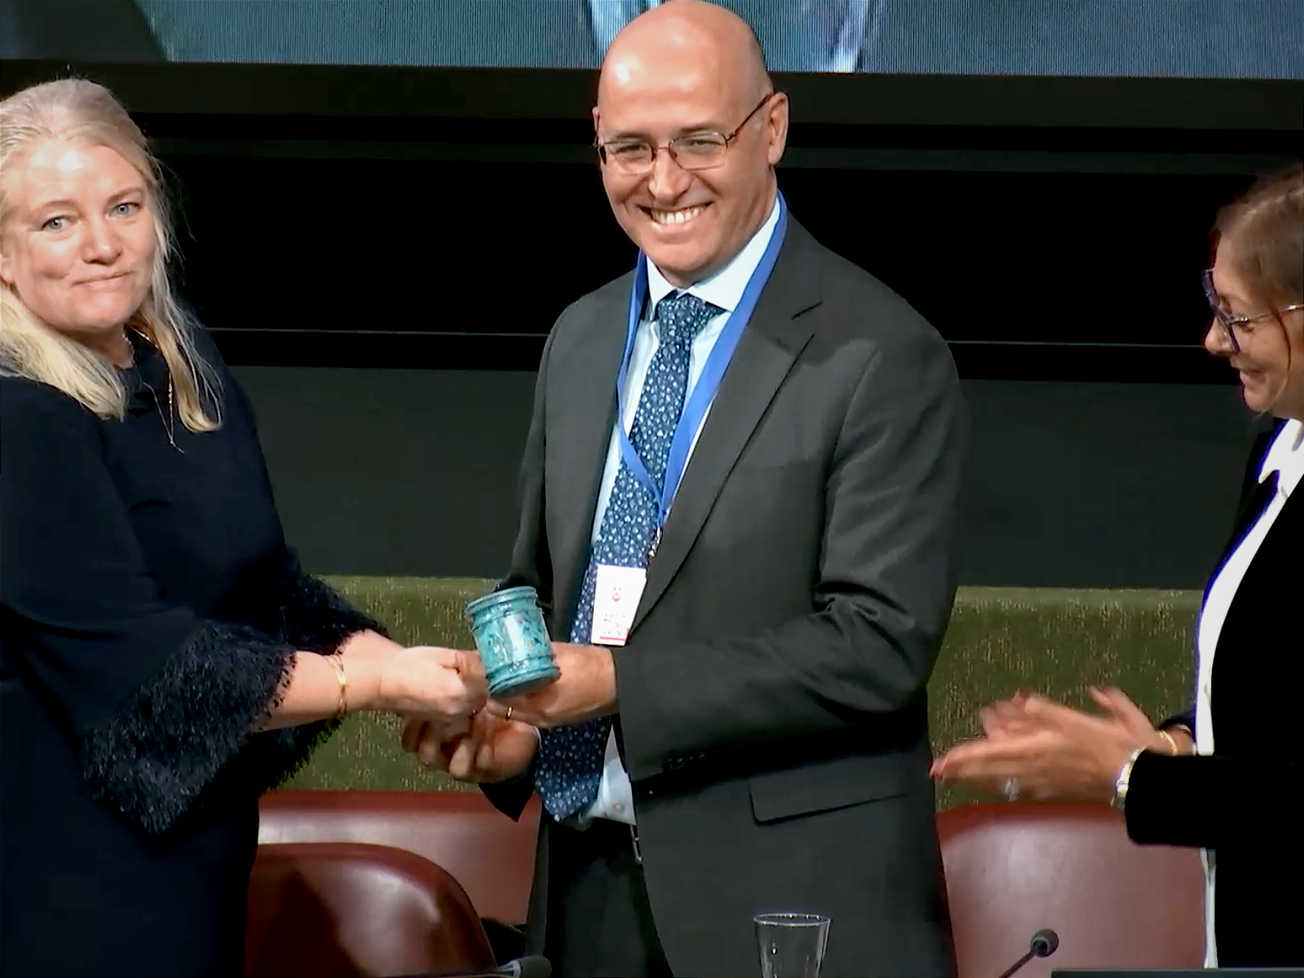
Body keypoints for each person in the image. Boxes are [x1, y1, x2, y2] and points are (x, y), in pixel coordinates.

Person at [402, 3, 967, 975]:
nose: (661, 182)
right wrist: (515, 733)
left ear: (772, 129)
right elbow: (540, 593)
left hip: (784, 911)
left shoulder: (880, 353)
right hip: (585, 902)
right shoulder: (578, 340)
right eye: (629, 149)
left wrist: (618, 689)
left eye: (697, 142)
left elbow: (875, 647)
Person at [0, 78, 488, 978]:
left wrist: (395, 659)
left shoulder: (184, 367)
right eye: (55, 223)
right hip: (59, 885)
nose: (102, 246)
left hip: (195, 868)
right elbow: (150, 680)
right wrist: (372, 686)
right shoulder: (19, 416)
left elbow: (264, 589)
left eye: (123, 206)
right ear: (3, 254)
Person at [931, 163, 1304, 968]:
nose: (1213, 341)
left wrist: (1129, 776)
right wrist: (1171, 747)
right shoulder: (1280, 451)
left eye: (1236, 318)